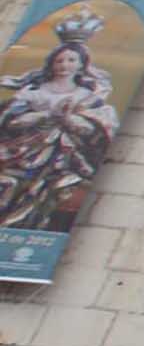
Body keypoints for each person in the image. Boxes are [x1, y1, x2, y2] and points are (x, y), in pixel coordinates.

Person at [0, 28, 121, 233]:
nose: (65, 65)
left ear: (82, 64)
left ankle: (31, 223)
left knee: (50, 189)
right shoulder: (34, 93)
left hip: (64, 154)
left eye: (71, 60)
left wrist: (66, 119)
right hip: (25, 150)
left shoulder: (87, 96)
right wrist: (45, 116)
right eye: (60, 60)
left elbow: (93, 129)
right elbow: (11, 122)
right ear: (51, 64)